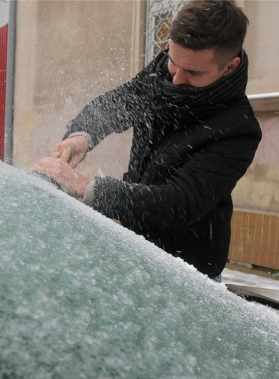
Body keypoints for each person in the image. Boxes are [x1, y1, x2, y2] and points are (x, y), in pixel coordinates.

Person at [33, 0, 261, 281]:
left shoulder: (238, 129)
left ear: (229, 67)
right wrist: (81, 136)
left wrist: (82, 186)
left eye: (193, 73)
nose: (176, 78)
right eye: (173, 62)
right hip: (134, 249)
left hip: (188, 273)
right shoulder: (161, 75)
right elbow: (117, 104)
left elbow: (178, 203)